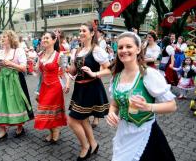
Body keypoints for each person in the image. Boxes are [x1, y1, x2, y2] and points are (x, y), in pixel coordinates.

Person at [106, 31, 177, 161]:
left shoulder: (148, 74)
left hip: (146, 132)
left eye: (129, 46)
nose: (124, 50)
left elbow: (172, 106)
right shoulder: (116, 76)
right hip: (124, 131)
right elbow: (114, 104)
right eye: (120, 47)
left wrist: (148, 106)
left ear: (138, 49)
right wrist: (111, 113)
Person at [68, 22, 110, 160]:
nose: (80, 33)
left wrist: (94, 73)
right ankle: (93, 144)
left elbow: (109, 69)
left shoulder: (97, 50)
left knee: (72, 121)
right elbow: (74, 70)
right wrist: (67, 69)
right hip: (79, 88)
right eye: (79, 30)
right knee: (84, 119)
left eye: (84, 30)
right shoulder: (78, 50)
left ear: (92, 33)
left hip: (91, 88)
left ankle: (85, 146)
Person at [0, 30, 34, 143]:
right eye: (2, 37)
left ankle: (19, 127)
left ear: (11, 38)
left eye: (5, 36)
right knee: (1, 103)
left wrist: (10, 64)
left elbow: (24, 68)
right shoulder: (0, 52)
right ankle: (2, 131)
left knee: (17, 103)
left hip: (15, 80)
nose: (3, 38)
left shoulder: (18, 51)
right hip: (2, 81)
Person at [34, 31, 69, 143]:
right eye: (43, 38)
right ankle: (52, 132)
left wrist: (67, 84)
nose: (44, 39)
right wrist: (33, 65)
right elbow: (37, 72)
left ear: (54, 40)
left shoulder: (60, 56)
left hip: (55, 87)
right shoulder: (40, 55)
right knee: (46, 111)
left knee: (51, 111)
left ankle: (55, 131)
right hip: (44, 86)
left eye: (47, 38)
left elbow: (65, 72)